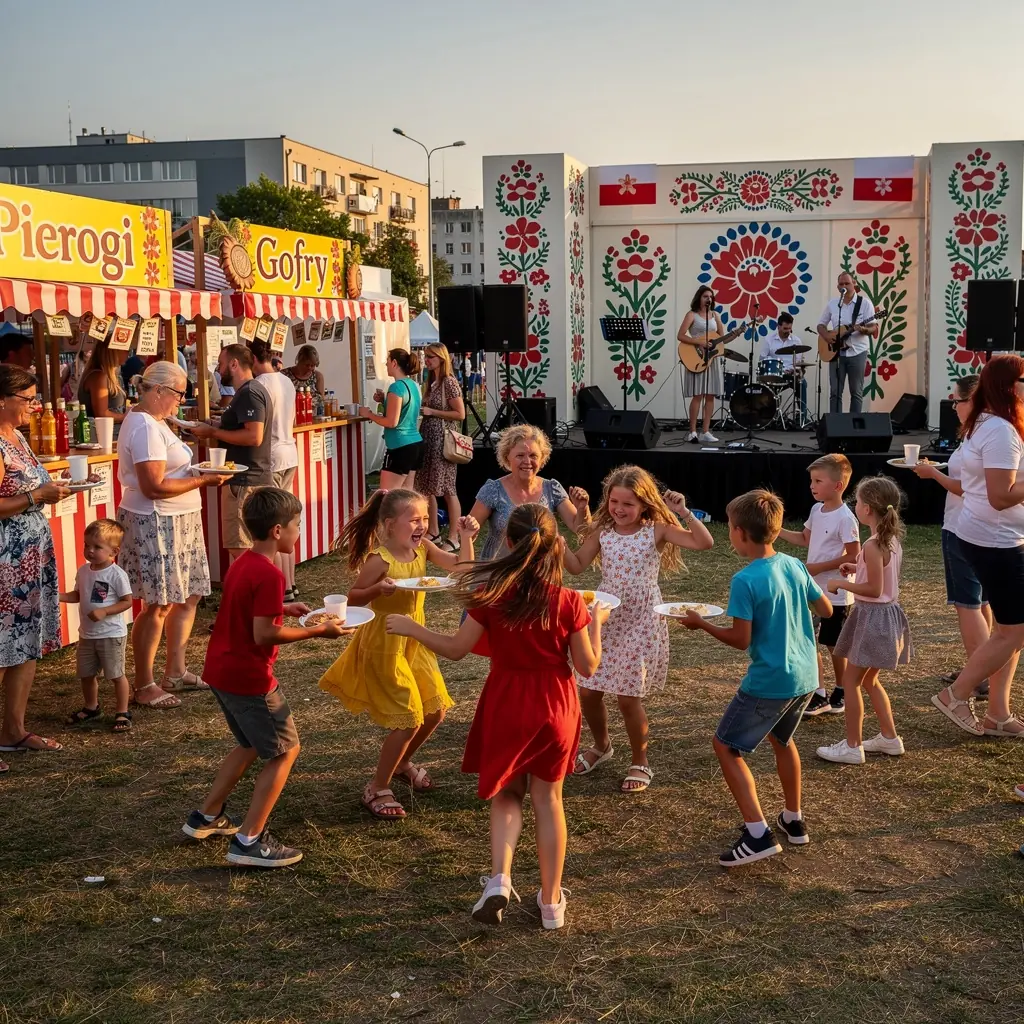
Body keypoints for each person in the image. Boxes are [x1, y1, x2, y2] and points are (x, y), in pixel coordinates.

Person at [385, 504, 607, 930]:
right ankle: (552, 902)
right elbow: (588, 666)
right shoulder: (568, 602)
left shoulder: (491, 597)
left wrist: (413, 628)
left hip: (506, 701)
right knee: (549, 799)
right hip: (554, 705)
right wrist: (596, 621)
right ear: (553, 546)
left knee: (507, 794)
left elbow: (454, 648)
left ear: (507, 543)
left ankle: (500, 880)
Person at [182, 488, 349, 867]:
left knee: (249, 744)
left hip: (220, 671)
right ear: (277, 530)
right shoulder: (271, 573)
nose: (299, 531)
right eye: (297, 525)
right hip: (249, 677)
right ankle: (249, 840)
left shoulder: (244, 563)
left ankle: (206, 816)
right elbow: (264, 635)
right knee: (285, 750)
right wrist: (317, 632)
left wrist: (283, 608)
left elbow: (249, 611)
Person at [679, 490, 832, 866]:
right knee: (783, 739)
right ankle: (793, 821)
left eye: (730, 529)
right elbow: (826, 609)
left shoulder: (745, 580)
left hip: (770, 680)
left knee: (725, 746)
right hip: (805, 676)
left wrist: (702, 624)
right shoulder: (794, 565)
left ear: (739, 532)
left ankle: (758, 834)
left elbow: (740, 639)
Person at [318, 489, 479, 820]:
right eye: (414, 520)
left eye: (424, 519)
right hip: (385, 641)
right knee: (408, 718)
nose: (422, 525)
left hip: (414, 640)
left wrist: (465, 536)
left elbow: (461, 568)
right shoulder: (380, 559)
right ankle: (377, 786)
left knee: (435, 713)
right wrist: (378, 589)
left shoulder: (423, 549)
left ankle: (403, 761)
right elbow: (354, 597)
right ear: (391, 524)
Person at [563, 466, 713, 792]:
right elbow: (575, 566)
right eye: (614, 501)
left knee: (628, 698)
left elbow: (704, 543)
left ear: (644, 504)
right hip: (605, 618)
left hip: (643, 620)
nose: (619, 509)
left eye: (628, 504)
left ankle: (640, 760)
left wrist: (683, 512)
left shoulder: (656, 529)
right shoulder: (602, 531)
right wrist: (559, 544)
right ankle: (602, 746)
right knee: (588, 692)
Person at [117, 360, 230, 709]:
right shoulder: (145, 427)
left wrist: (196, 475)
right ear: (159, 391)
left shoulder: (155, 422)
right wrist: (203, 479)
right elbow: (153, 486)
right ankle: (145, 683)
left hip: (178, 517)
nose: (181, 401)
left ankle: (175, 671)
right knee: (158, 604)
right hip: (156, 520)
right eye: (179, 394)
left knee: (189, 595)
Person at [931, 354, 1024, 738]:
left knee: (1010, 630)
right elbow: (1001, 496)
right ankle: (957, 694)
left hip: (992, 535)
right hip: (996, 540)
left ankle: (998, 714)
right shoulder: (998, 429)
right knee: (1013, 633)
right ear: (1009, 386)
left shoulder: (987, 423)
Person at [0, 366, 70, 766]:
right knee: (1, 645)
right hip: (7, 559)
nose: (34, 405)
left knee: (25, 643)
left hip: (28, 555)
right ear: (2, 400)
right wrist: (36, 496)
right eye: (27, 399)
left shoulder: (18, 437)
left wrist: (49, 492)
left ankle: (14, 730)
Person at [816, 476, 913, 764]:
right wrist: (854, 567)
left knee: (851, 680)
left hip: (873, 618)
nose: (854, 506)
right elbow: (878, 578)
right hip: (887, 616)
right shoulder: (890, 540)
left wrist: (840, 584)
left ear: (868, 509)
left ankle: (852, 746)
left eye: (857, 502)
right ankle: (889, 738)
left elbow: (873, 590)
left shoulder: (872, 544)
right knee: (870, 680)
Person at [914, 375, 992, 693]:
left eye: (956, 401)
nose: (954, 407)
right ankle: (983, 668)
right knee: (982, 601)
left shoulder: (983, 432)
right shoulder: (986, 430)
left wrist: (932, 473)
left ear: (971, 400)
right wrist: (941, 467)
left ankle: (980, 675)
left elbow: (966, 487)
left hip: (964, 526)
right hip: (982, 526)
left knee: (968, 604)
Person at [778, 454, 861, 717]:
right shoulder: (817, 510)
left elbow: (853, 555)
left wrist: (818, 567)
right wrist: (776, 530)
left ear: (837, 486)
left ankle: (842, 688)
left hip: (837, 594)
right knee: (810, 641)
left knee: (834, 645)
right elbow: (805, 538)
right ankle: (819, 693)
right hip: (813, 590)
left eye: (818, 481)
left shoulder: (846, 518)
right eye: (811, 481)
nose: (812, 486)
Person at [188, 344, 273, 564]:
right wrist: (214, 424)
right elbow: (243, 428)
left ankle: (250, 597)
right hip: (251, 478)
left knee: (241, 548)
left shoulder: (249, 392)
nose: (218, 369)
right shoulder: (250, 391)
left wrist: (213, 431)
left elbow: (254, 436)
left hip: (245, 481)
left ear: (234, 364)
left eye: (221, 363)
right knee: (252, 549)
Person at [470, 424, 588, 561]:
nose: (527, 461)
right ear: (507, 456)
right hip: (498, 575)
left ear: (542, 458)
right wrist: (469, 529)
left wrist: (582, 509)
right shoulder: (493, 490)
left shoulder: (552, 489)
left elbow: (579, 528)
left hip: (540, 574)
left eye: (533, 455)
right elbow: (469, 533)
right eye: (520, 455)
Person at [61, 519, 134, 734]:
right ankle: (91, 707)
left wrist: (104, 611)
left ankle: (122, 711)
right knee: (86, 673)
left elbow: (127, 601)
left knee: (115, 674)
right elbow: (78, 594)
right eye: (86, 545)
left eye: (97, 547)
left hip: (111, 634)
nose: (89, 551)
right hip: (87, 634)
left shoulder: (116, 574)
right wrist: (60, 597)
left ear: (114, 551)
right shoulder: (84, 571)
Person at [250, 340, 300, 601]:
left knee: (274, 525)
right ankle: (289, 585)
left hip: (271, 456)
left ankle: (282, 588)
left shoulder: (259, 385)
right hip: (290, 451)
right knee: (286, 520)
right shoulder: (286, 381)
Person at [416, 343, 466, 548]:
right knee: (427, 487)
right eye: (426, 356)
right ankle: (434, 531)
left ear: (442, 359)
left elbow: (460, 414)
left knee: (447, 488)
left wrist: (432, 412)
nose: (427, 360)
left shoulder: (449, 382)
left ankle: (454, 537)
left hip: (443, 442)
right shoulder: (432, 381)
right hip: (429, 438)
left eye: (431, 357)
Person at [360, 348, 423, 491]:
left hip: (400, 446)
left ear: (394, 363)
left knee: (387, 497)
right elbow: (405, 411)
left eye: (387, 362)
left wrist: (368, 414)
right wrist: (384, 401)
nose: (386, 365)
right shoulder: (412, 385)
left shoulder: (396, 387)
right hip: (415, 444)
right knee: (407, 496)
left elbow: (391, 422)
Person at [817, 272, 878, 413]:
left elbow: (873, 327)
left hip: (857, 351)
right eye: (841, 284)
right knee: (835, 392)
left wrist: (863, 329)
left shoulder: (865, 303)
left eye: (847, 283)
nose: (844, 286)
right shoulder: (833, 304)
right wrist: (826, 336)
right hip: (836, 353)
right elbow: (820, 325)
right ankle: (835, 427)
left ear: (854, 283)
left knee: (856, 392)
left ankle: (853, 427)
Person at [676, 286, 724, 444]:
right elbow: (681, 335)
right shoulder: (692, 315)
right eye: (705, 296)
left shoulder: (715, 315)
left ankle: (705, 431)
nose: (708, 299)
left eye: (710, 296)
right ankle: (692, 432)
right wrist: (699, 342)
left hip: (712, 359)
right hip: (696, 357)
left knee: (710, 395)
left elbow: (721, 337)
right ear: (699, 298)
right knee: (698, 395)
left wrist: (719, 342)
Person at [78, 338, 128, 423]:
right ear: (114, 351)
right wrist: (126, 417)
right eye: (125, 350)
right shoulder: (99, 376)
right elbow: (102, 414)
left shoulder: (108, 375)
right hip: (104, 433)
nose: (127, 353)